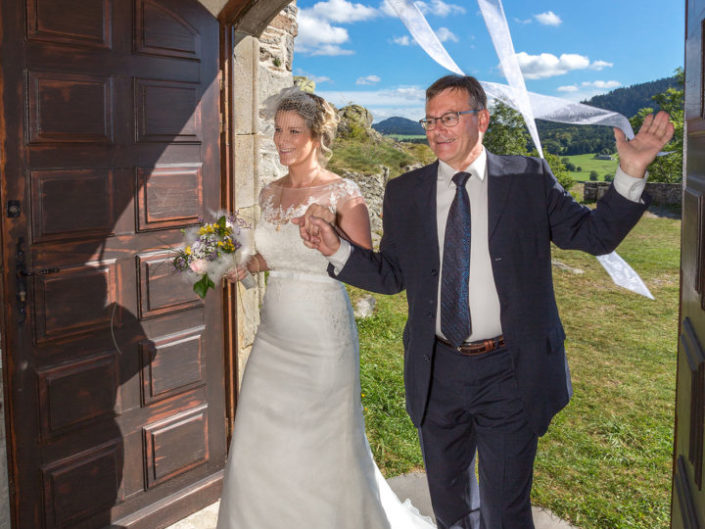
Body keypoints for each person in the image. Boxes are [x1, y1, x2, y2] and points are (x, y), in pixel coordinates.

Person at [297, 74, 674, 529]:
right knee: (450, 503)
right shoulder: (406, 191)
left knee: (505, 508)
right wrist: (336, 249)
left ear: (483, 119)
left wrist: (630, 171)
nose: (436, 129)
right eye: (430, 119)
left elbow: (594, 236)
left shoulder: (528, 179)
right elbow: (393, 274)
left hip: (510, 370)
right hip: (436, 370)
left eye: (449, 118)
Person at [215, 88, 436, 529]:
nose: (281, 140)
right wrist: (243, 264)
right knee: (260, 443)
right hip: (272, 339)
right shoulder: (269, 193)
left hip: (322, 342)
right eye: (278, 130)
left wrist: (330, 236)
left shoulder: (344, 194)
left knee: (320, 449)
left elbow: (368, 270)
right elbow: (270, 258)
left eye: (293, 131)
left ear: (317, 136)